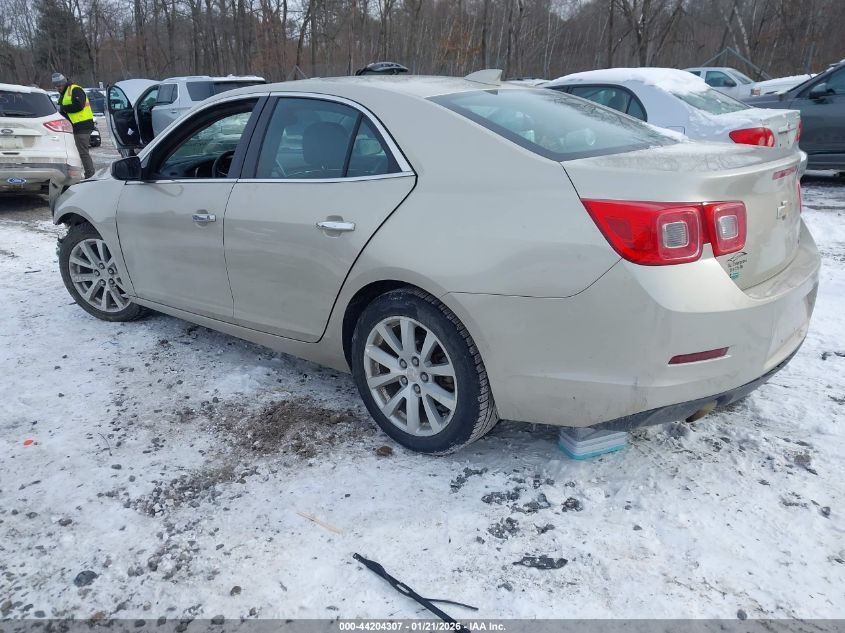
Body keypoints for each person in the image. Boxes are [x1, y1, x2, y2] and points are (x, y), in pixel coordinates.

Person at [52, 73, 95, 178]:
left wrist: (63, 108)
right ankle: (82, 173)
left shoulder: (75, 90)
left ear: (64, 83)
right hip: (75, 127)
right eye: (56, 86)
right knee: (78, 152)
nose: (58, 88)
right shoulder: (65, 93)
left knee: (83, 152)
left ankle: (90, 175)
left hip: (83, 126)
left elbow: (78, 106)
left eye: (59, 86)